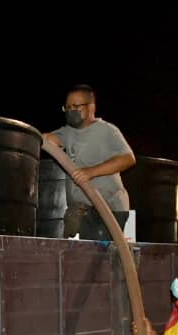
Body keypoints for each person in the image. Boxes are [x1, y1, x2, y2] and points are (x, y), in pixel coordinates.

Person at [42, 84, 136, 238]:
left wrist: (91, 172)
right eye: (67, 107)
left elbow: (128, 158)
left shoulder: (107, 130)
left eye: (76, 106)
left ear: (91, 107)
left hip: (110, 210)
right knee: (76, 254)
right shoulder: (67, 132)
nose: (71, 110)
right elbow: (47, 139)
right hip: (81, 210)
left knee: (107, 258)